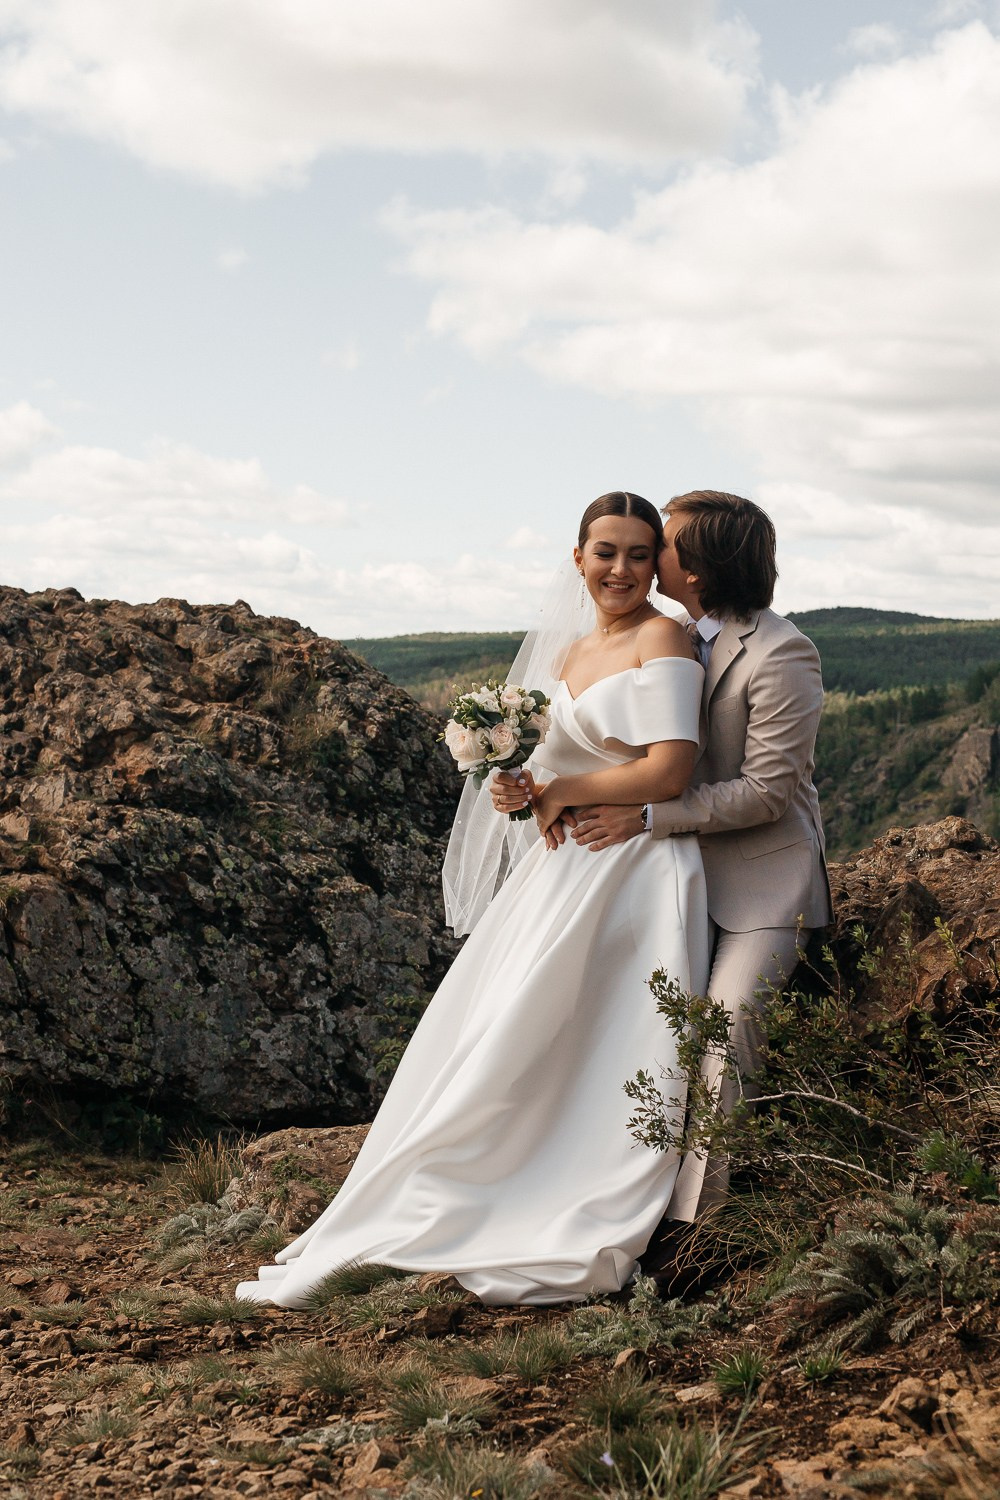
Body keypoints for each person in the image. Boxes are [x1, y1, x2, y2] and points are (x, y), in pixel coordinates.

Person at [234, 492, 710, 1308]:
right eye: (606, 552)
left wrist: (563, 787)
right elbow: (548, 774)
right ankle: (462, 1182)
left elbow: (669, 772)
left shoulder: (664, 637)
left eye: (639, 553)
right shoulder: (564, 655)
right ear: (578, 559)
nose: (622, 569)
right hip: (564, 872)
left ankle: (564, 1188)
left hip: (636, 869)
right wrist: (520, 791)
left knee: (604, 1036)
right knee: (511, 1030)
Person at [494, 490, 832, 1237]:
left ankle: (694, 1232)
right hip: (659, 878)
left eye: (664, 545)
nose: (648, 556)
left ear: (700, 568)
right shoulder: (669, 634)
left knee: (721, 1040)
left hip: (758, 888)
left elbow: (767, 794)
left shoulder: (783, 652)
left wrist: (647, 814)